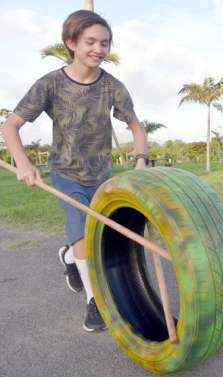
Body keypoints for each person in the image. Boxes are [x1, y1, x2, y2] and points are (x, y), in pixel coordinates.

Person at [1, 10, 147, 331]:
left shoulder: (112, 87)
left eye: (105, 43)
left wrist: (139, 161)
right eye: (90, 42)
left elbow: (136, 127)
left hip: (101, 173)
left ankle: (69, 258)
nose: (98, 49)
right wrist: (23, 163)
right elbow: (10, 126)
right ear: (71, 43)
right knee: (83, 229)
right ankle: (94, 302)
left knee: (101, 232)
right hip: (65, 171)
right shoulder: (50, 84)